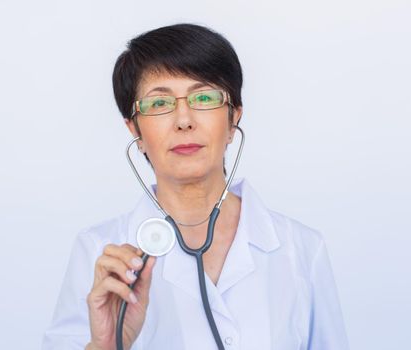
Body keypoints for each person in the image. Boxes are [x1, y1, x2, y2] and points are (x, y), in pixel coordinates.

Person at [42, 23, 349, 350]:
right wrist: (106, 344)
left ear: (233, 120)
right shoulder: (99, 252)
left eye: (204, 97)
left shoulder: (300, 250)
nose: (184, 119)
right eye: (159, 104)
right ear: (135, 130)